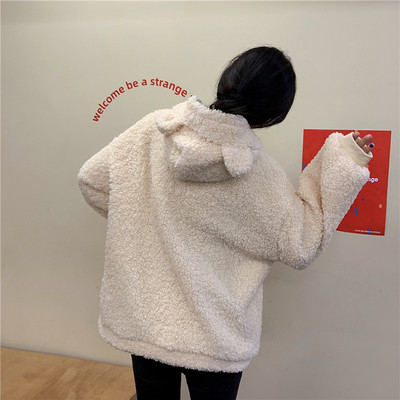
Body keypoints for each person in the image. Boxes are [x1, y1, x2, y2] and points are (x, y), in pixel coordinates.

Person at [77, 46, 374, 400]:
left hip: (147, 323)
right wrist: (344, 158)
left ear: (227, 81)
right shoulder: (261, 176)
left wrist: (144, 221)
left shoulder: (154, 130)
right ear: (274, 113)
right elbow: (302, 245)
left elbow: (92, 181)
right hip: (216, 337)